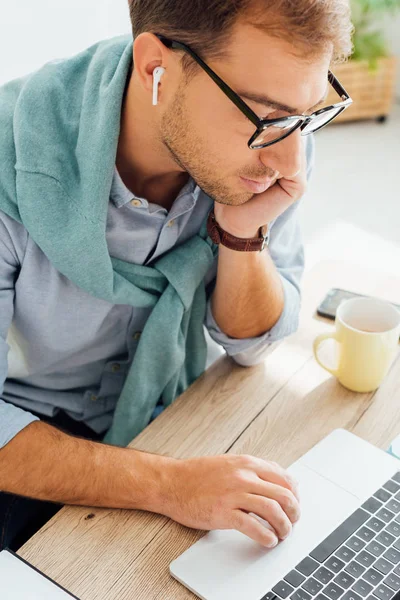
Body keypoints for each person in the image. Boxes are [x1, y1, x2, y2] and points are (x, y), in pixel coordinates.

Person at [0, 0, 353, 552]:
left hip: (170, 403)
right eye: (263, 116)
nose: (291, 166)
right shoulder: (10, 161)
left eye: (304, 118)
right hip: (29, 428)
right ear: (154, 70)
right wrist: (168, 484)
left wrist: (240, 235)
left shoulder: (273, 148)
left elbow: (252, 342)